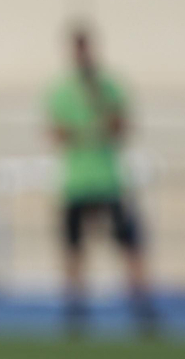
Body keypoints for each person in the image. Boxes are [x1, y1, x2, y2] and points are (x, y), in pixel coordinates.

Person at [45, 23, 158, 336]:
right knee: (74, 248)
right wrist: (89, 130)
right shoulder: (63, 90)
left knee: (129, 245)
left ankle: (142, 306)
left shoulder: (108, 86)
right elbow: (56, 132)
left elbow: (121, 124)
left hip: (107, 180)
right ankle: (75, 309)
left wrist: (96, 113)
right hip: (78, 182)